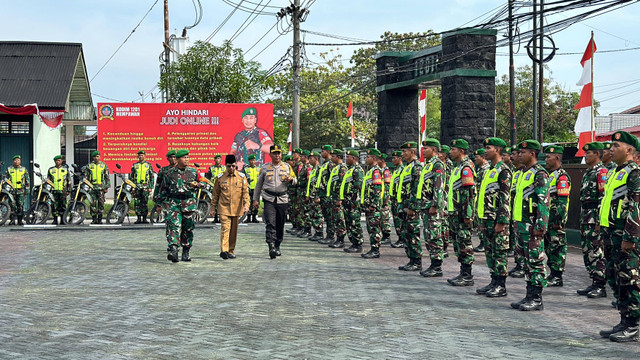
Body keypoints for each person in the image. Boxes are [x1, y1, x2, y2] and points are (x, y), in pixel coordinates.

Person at [598, 131, 640, 342]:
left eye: (615, 146)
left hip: (625, 236)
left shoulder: (635, 173)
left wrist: (630, 236)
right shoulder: (615, 172)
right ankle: (624, 320)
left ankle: (632, 325)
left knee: (629, 279)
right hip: (610, 233)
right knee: (615, 278)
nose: (611, 150)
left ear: (629, 150)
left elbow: (636, 206)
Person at [510, 140, 549, 311]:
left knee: (535, 261)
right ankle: (528, 294)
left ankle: (537, 298)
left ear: (532, 154)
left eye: (522, 152)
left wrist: (540, 224)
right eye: (518, 152)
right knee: (526, 261)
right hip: (521, 224)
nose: (519, 155)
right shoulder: (522, 173)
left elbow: (543, 201)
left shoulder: (539, 174)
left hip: (532, 226)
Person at [475, 138, 512, 297]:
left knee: (499, 252)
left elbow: (505, 197)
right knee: (490, 252)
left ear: (497, 150)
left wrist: (502, 221)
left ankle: (501, 285)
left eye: (488, 148)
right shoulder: (489, 170)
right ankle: (493, 280)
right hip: (486, 218)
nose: (485, 151)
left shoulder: (503, 170)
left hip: (496, 220)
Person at [577, 141, 608, 299]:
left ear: (597, 154)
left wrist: (598, 221)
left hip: (594, 217)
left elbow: (603, 198)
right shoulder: (589, 172)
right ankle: (594, 281)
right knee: (588, 250)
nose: (585, 156)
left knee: (597, 251)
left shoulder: (601, 172)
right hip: (586, 216)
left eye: (588, 153)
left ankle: (600, 284)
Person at [253, 145, 296, 259]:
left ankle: (277, 245)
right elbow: (258, 185)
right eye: (274, 153)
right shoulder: (265, 167)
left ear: (281, 154)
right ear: (270, 154)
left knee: (280, 223)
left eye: (279, 153)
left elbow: (295, 181)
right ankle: (271, 245)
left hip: (282, 199)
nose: (277, 155)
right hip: (269, 198)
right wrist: (255, 199)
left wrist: (291, 180)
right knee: (270, 222)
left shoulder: (287, 167)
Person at [446, 139, 476, 285]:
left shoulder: (466, 168)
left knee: (465, 243)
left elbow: (469, 194)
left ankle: (467, 275)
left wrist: (467, 214)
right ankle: (462, 273)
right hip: (455, 213)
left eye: (453, 149)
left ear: (462, 151)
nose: (450, 152)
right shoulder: (457, 167)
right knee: (458, 243)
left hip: (462, 213)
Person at [161, 149, 199, 263]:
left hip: (188, 204)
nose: (186, 159)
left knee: (188, 228)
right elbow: (164, 189)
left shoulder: (193, 172)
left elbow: (202, 183)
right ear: (177, 160)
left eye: (187, 157)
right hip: (174, 203)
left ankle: (186, 251)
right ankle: (173, 249)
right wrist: (162, 203)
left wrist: (198, 185)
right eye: (184, 157)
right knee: (174, 226)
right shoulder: (169, 173)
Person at [211, 154, 250, 260]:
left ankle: (231, 250)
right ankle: (224, 250)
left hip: (236, 208)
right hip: (224, 208)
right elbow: (215, 195)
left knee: (233, 231)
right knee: (225, 228)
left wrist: (246, 205)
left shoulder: (241, 177)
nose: (231, 168)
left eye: (233, 166)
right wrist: (212, 208)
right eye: (229, 166)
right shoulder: (220, 178)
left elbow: (245, 193)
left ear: (236, 165)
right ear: (225, 166)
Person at [417, 139, 446, 277]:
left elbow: (438, 186)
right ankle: (433, 264)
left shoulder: (438, 164)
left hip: (432, 207)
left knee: (434, 236)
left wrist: (435, 204)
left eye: (426, 148)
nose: (423, 151)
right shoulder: (428, 165)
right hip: (426, 206)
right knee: (429, 236)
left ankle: (437, 266)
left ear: (434, 150)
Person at [544, 145, 571, 287]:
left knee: (557, 246)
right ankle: (552, 273)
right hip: (547, 218)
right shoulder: (549, 175)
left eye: (549, 157)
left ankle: (557, 275)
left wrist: (558, 220)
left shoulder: (562, 176)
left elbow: (562, 200)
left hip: (555, 219)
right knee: (549, 247)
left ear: (558, 158)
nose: (546, 159)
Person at [397, 141, 424, 271]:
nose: (402, 154)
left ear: (412, 152)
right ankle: (411, 259)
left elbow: (416, 188)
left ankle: (416, 261)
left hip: (410, 207)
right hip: (404, 205)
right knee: (406, 233)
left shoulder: (416, 167)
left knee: (413, 233)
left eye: (404, 152)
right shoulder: (407, 167)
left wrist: (413, 207)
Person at [361, 148, 384, 258]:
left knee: (374, 228)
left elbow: (377, 188)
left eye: (368, 157)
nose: (366, 159)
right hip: (368, 204)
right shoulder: (370, 171)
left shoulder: (376, 171)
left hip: (373, 206)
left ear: (374, 158)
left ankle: (375, 250)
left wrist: (374, 204)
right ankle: (373, 248)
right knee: (371, 228)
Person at [341, 150, 365, 253]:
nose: (346, 159)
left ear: (354, 159)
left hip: (353, 202)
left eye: (348, 157)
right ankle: (353, 243)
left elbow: (358, 186)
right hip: (348, 201)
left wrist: (354, 201)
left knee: (355, 223)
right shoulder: (350, 170)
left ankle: (358, 244)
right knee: (349, 223)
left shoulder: (357, 170)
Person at [509, 145, 527, 278]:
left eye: (521, 153)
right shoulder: (518, 173)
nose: (517, 156)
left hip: (529, 217)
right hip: (517, 213)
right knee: (518, 243)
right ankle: (519, 264)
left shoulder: (536, 173)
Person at [327, 149, 348, 249]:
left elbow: (342, 183)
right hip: (333, 197)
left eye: (333, 156)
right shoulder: (335, 168)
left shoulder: (342, 168)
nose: (331, 158)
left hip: (338, 198)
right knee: (335, 218)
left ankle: (341, 239)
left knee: (340, 219)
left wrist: (339, 198)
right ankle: (337, 238)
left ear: (339, 157)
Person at [83, 151, 110, 224]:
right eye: (95, 156)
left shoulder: (104, 165)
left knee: (101, 204)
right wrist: (88, 187)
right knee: (93, 204)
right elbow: (86, 177)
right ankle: (94, 219)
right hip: (92, 188)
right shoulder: (89, 166)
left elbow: (107, 177)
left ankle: (100, 219)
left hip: (101, 188)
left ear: (100, 157)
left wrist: (107, 186)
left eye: (98, 156)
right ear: (93, 157)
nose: (96, 158)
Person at [316, 145, 336, 244]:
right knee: (326, 216)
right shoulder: (324, 164)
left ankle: (331, 236)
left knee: (329, 216)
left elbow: (333, 179)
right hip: (323, 193)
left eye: (323, 151)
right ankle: (328, 235)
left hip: (328, 194)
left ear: (328, 152)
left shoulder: (331, 164)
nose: (321, 153)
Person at [130, 150, 155, 224]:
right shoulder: (135, 165)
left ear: (145, 156)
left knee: (144, 202)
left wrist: (150, 187)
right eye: (139, 155)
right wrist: (133, 187)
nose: (141, 156)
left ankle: (144, 218)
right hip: (137, 186)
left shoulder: (148, 165)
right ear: (137, 156)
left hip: (145, 186)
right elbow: (131, 177)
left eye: (142, 155)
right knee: (137, 203)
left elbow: (151, 177)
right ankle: (138, 218)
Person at [5, 155, 30, 225]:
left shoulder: (24, 169)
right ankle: (12, 220)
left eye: (18, 160)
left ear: (20, 161)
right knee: (12, 205)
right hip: (11, 191)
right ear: (13, 161)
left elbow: (27, 180)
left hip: (21, 190)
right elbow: (6, 179)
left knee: (20, 205)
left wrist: (27, 189)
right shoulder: (9, 169)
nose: (17, 162)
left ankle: (20, 220)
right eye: (15, 160)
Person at [473, 148, 490, 253]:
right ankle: (482, 242)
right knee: (478, 222)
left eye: (477, 157)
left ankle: (484, 243)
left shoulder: (486, 169)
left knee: (482, 223)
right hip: (478, 198)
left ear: (483, 158)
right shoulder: (480, 169)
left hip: (484, 200)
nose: (475, 159)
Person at [47, 155, 71, 225]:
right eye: (56, 161)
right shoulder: (51, 170)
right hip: (53, 190)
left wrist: (68, 190)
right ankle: (55, 220)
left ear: (61, 161)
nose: (58, 162)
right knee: (54, 205)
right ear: (54, 161)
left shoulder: (65, 170)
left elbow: (69, 180)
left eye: (59, 160)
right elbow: (49, 180)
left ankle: (62, 220)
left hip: (62, 190)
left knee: (62, 205)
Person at [306, 151, 324, 241]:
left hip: (316, 195)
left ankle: (319, 233)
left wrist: (318, 196)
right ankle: (316, 232)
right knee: (313, 214)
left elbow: (319, 183)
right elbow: (310, 183)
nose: (309, 160)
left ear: (316, 159)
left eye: (311, 159)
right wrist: (308, 194)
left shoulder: (319, 169)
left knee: (317, 215)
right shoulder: (313, 169)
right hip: (312, 195)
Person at [389, 151, 405, 248]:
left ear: (400, 159)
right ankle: (400, 238)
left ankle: (402, 239)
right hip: (395, 199)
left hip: (400, 200)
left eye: (395, 158)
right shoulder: (396, 170)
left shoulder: (402, 169)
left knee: (400, 221)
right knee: (396, 220)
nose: (393, 160)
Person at [295, 150, 313, 238]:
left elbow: (309, 181)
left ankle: (308, 230)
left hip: (305, 192)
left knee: (306, 212)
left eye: (302, 156)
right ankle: (304, 229)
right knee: (302, 211)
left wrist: (307, 194)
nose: (300, 158)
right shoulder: (303, 167)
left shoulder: (308, 167)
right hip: (301, 192)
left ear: (305, 157)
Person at [205, 155, 225, 223]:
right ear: (214, 160)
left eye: (219, 159)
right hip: (213, 187)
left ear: (221, 160)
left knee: (221, 203)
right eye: (216, 159)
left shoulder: (224, 168)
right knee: (214, 202)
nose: (217, 160)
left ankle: (221, 217)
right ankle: (215, 217)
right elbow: (207, 177)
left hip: (222, 188)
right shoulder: (211, 168)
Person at [378, 153, 393, 244]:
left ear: (382, 161)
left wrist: (386, 199)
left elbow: (387, 186)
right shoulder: (380, 171)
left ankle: (387, 236)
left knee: (384, 217)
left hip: (385, 199)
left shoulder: (386, 172)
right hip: (381, 198)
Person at [243, 154, 261, 223]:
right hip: (248, 189)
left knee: (256, 203)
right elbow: (243, 179)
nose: (252, 161)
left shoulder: (258, 169)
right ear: (248, 161)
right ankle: (248, 217)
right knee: (248, 203)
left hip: (256, 189)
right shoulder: (246, 169)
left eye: (253, 160)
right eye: (251, 160)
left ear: (255, 161)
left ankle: (254, 217)